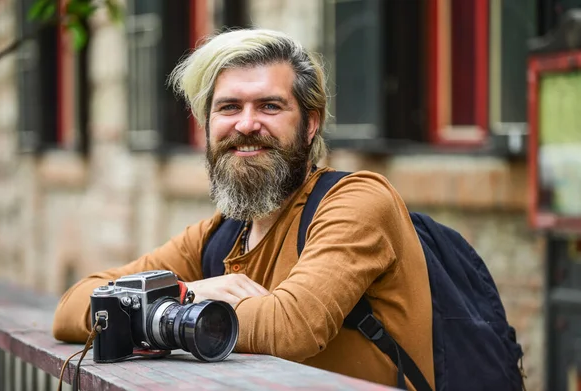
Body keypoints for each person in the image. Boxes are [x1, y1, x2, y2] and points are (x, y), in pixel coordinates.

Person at [53, 28, 434, 390]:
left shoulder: (358, 201)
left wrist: (173, 306)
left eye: (270, 106)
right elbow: (72, 307)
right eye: (229, 107)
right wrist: (191, 294)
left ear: (310, 123)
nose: (247, 124)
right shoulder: (218, 237)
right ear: (208, 124)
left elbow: (291, 328)